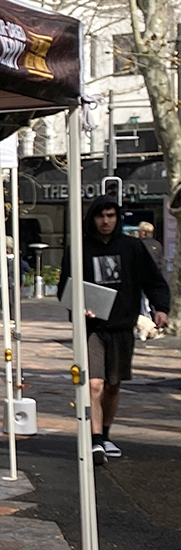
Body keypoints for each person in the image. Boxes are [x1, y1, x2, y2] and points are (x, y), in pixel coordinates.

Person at [61, 198, 170, 462]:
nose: (105, 221)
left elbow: (152, 280)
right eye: (100, 216)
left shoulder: (132, 247)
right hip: (93, 327)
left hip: (122, 325)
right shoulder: (79, 248)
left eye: (110, 215)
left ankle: (105, 435)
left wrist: (160, 307)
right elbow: (66, 286)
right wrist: (78, 307)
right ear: (92, 219)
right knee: (95, 384)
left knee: (112, 385)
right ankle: (96, 439)